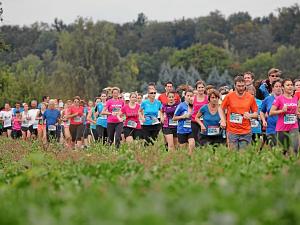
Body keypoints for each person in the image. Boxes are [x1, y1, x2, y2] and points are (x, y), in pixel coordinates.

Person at [220, 75, 258, 150]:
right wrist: (223, 120)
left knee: (243, 156)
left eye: (242, 86)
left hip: (245, 131)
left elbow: (256, 114)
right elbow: (220, 108)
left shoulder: (250, 97)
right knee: (233, 155)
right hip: (232, 131)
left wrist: (250, 115)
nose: (241, 88)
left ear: (245, 85)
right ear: (234, 85)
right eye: (239, 86)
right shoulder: (229, 96)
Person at [270, 79, 299, 155]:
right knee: (282, 151)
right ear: (283, 87)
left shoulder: (295, 98)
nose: (290, 87)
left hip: (293, 126)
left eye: (291, 85)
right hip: (282, 128)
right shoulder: (279, 99)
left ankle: (292, 164)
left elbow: (295, 112)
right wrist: (281, 111)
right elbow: (271, 112)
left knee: (295, 148)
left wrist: (298, 113)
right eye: (287, 85)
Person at [260, 80, 282, 147]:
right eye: (276, 86)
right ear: (272, 88)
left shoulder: (285, 98)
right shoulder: (268, 99)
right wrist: (263, 120)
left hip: (283, 128)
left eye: (280, 86)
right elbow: (262, 111)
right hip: (271, 128)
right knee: (273, 149)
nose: (278, 88)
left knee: (283, 150)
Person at [173, 89, 195, 155]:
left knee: (192, 144)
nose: (189, 97)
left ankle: (190, 158)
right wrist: (183, 116)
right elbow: (174, 118)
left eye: (191, 96)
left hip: (191, 129)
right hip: (182, 130)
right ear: (185, 96)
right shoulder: (181, 106)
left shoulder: (195, 105)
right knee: (183, 150)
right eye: (188, 95)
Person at [192, 80, 208, 145]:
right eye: (199, 87)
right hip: (194, 121)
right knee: (195, 140)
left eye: (202, 87)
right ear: (196, 89)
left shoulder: (208, 98)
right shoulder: (193, 99)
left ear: (204, 88)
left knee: (204, 140)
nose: (201, 89)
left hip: (205, 122)